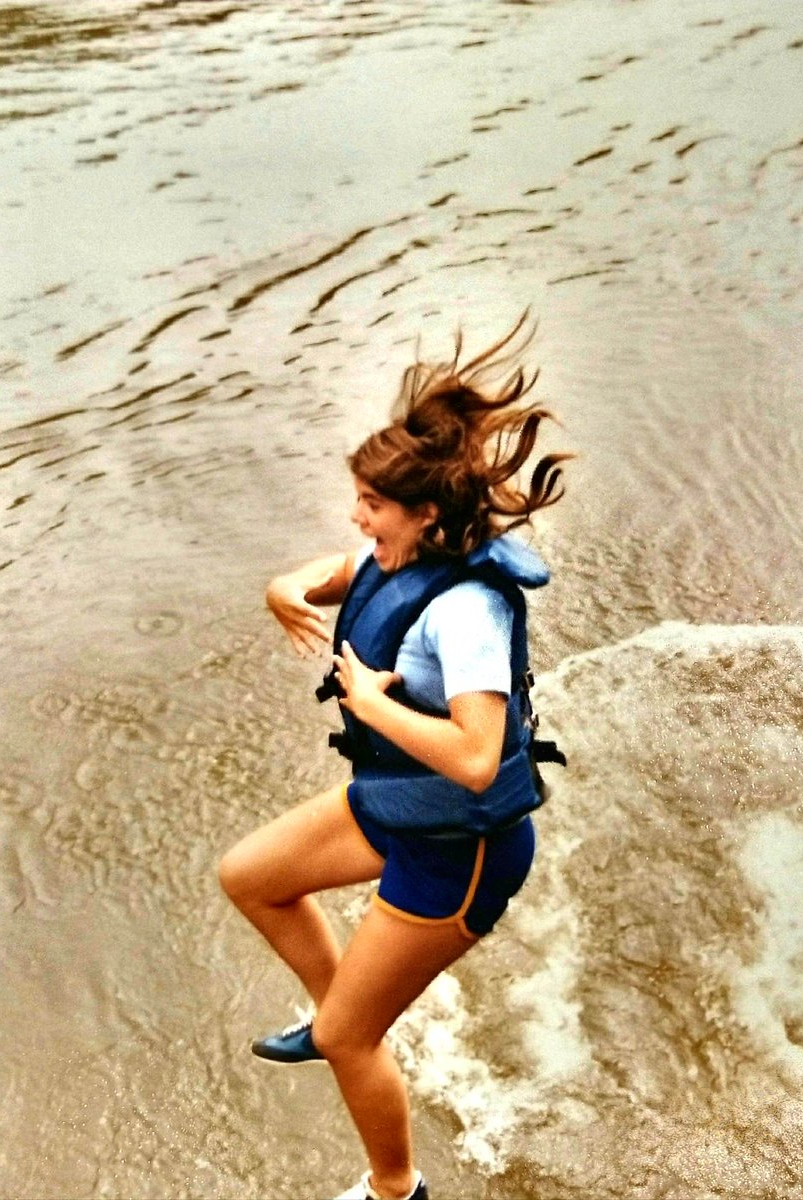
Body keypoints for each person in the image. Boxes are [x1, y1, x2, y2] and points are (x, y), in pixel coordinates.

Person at [218, 315, 569, 1200]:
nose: (356, 516)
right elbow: (344, 571)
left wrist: (371, 702)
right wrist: (283, 586)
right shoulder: (402, 551)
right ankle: (343, 1011)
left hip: (459, 848)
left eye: (372, 505)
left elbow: (480, 757)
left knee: (346, 1044)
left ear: (423, 516)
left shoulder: (468, 613)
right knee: (250, 875)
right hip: (396, 806)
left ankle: (395, 1189)